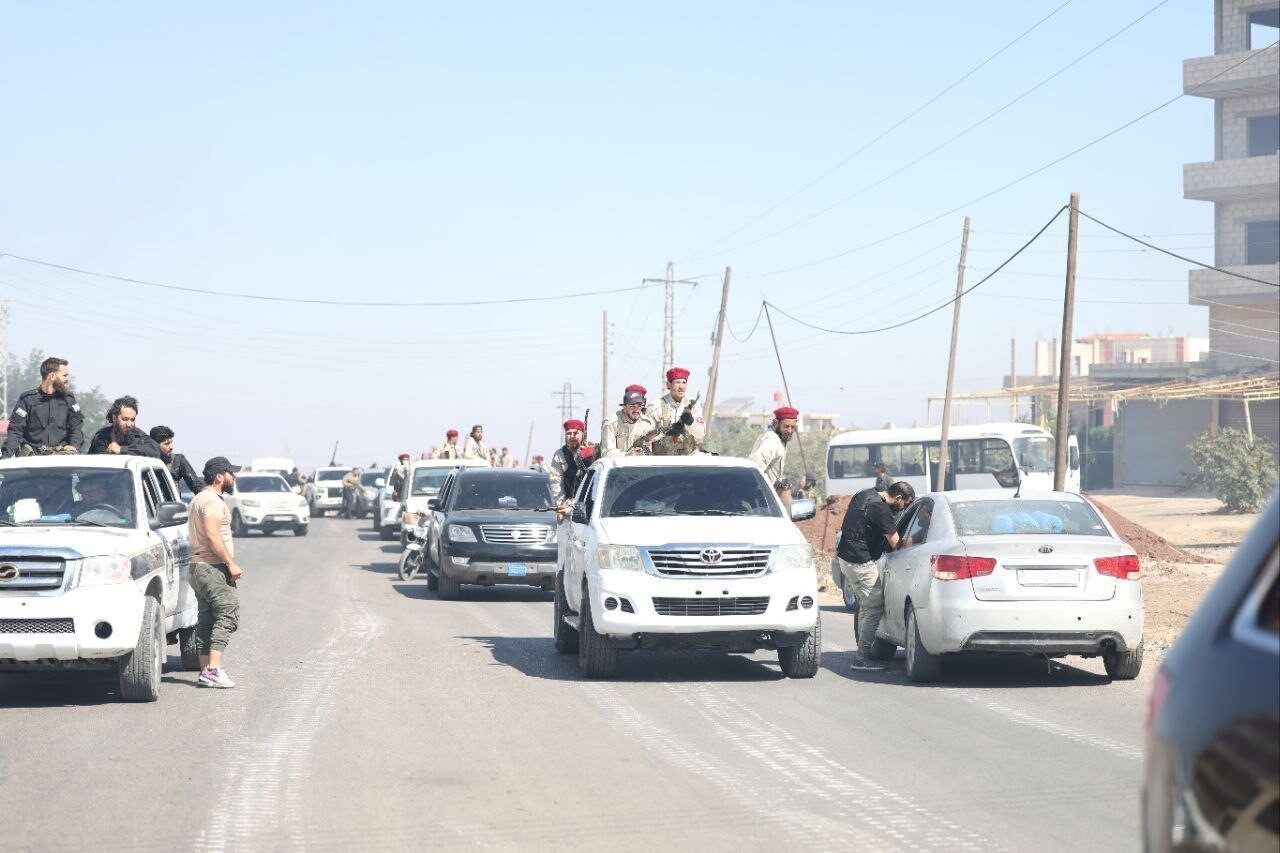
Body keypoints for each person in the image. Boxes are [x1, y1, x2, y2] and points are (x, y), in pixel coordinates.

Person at [835, 480, 916, 672]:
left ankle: (863, 651)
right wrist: (917, 538)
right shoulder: (882, 511)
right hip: (860, 563)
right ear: (898, 498)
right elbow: (897, 544)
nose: (903, 508)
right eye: (905, 504)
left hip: (845, 559)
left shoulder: (864, 494)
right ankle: (862, 658)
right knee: (874, 607)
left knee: (866, 606)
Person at [188, 457, 244, 689]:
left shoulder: (199, 498)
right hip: (212, 567)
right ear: (219, 476)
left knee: (207, 619)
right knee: (228, 615)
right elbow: (213, 535)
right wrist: (230, 563)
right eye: (231, 473)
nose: (235, 477)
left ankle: (205, 671)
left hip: (198, 567)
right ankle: (213, 669)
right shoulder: (212, 501)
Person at [2, 356, 84, 458]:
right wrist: (5, 458)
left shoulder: (69, 399)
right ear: (52, 376)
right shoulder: (27, 399)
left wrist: (74, 445)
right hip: (32, 462)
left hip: (61, 460)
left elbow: (76, 427)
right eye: (65, 375)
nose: (67, 379)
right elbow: (15, 431)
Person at [749, 406, 798, 511]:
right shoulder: (771, 441)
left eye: (792, 427)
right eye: (786, 426)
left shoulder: (779, 440)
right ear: (776, 423)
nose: (789, 430)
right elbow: (755, 467)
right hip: (762, 501)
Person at [87, 396, 163, 458]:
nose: (129, 424)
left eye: (132, 420)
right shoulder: (101, 437)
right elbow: (90, 462)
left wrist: (122, 450)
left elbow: (155, 451)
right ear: (114, 418)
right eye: (125, 419)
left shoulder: (139, 437)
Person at [652, 366, 704, 455]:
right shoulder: (656, 405)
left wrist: (690, 423)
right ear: (669, 384)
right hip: (662, 458)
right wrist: (667, 432)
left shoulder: (693, 405)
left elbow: (700, 435)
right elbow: (647, 436)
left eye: (684, 383)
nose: (681, 387)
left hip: (687, 457)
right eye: (677, 382)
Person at [601, 387, 660, 458]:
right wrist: (626, 455)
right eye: (632, 406)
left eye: (639, 406)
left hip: (639, 466)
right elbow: (606, 453)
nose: (636, 410)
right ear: (624, 407)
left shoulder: (647, 423)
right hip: (617, 466)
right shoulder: (611, 422)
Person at [548, 419, 594, 506]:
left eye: (576, 433)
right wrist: (561, 505)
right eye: (569, 433)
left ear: (583, 435)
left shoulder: (593, 450)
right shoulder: (560, 455)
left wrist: (590, 456)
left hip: (591, 501)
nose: (572, 436)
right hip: (569, 504)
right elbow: (556, 482)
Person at [148, 425, 203, 494]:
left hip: (172, 504)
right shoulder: (146, 463)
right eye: (167, 444)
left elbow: (196, 485)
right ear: (155, 445)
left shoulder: (178, 460)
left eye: (171, 443)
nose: (171, 447)